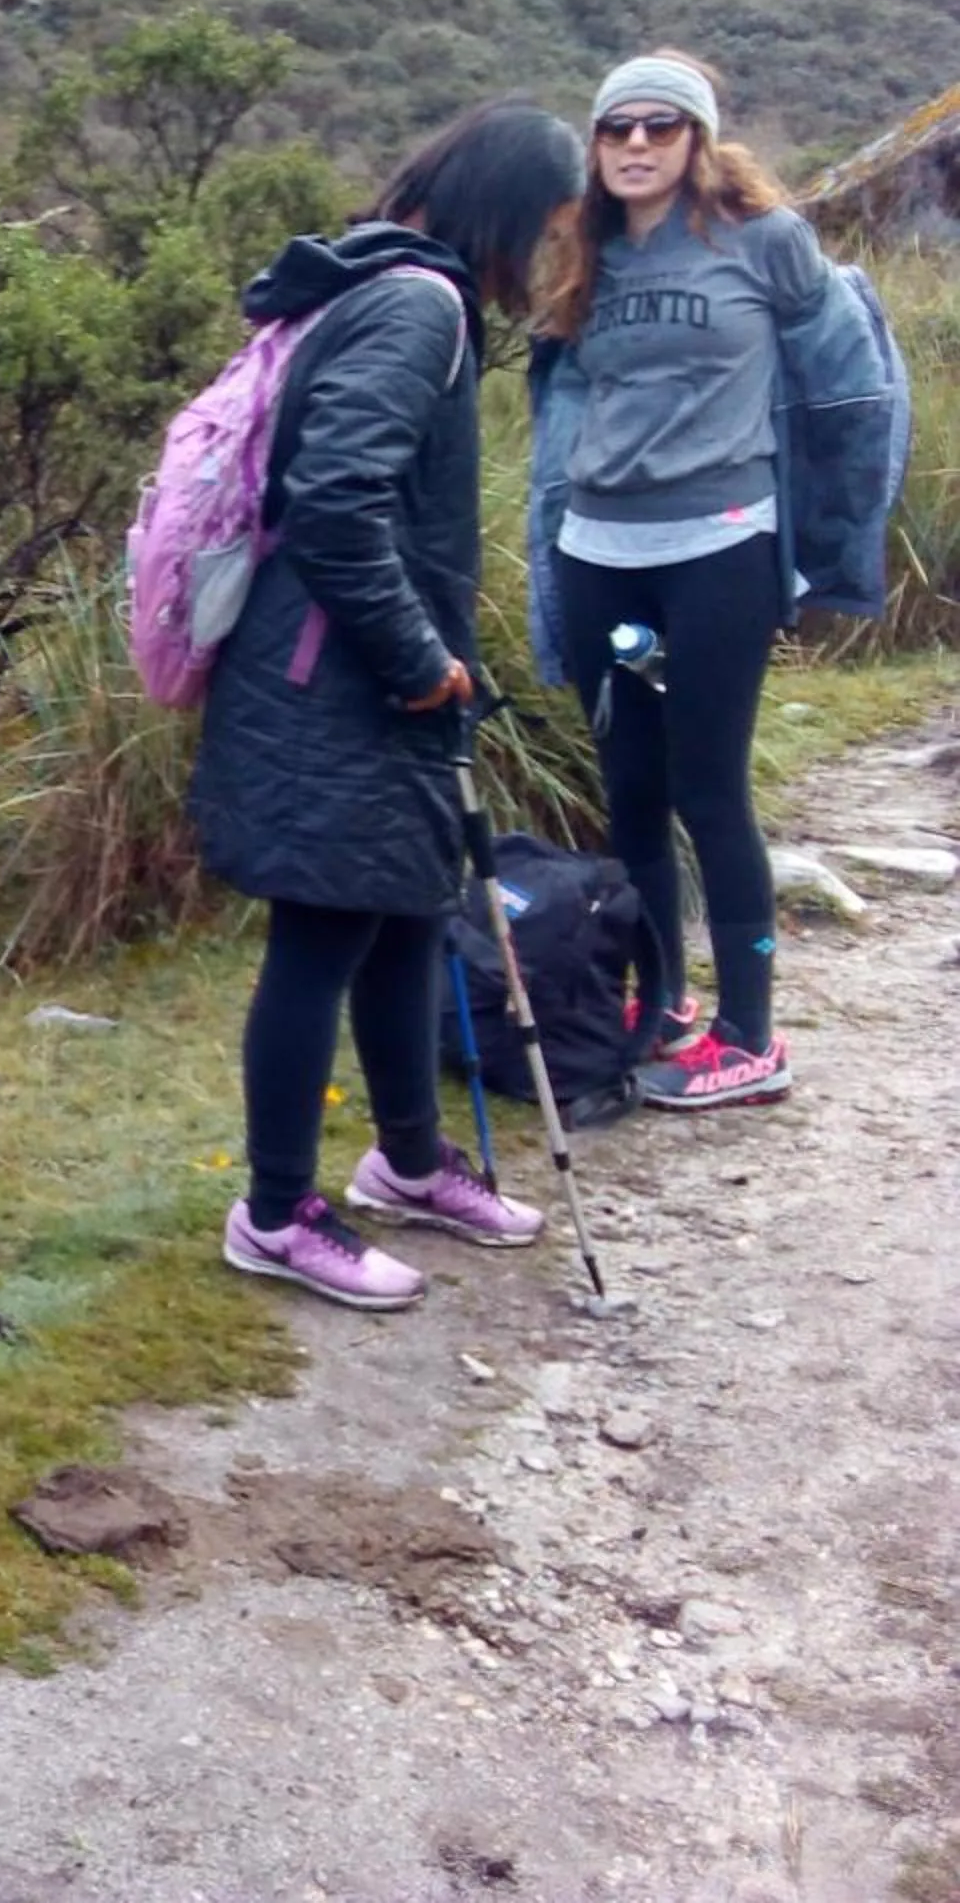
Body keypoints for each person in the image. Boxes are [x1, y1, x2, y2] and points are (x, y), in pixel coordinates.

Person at [190, 100, 585, 1312]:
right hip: (338, 679)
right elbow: (337, 501)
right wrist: (418, 659)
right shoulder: (419, 307)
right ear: (510, 215)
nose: (556, 255)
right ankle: (273, 1212)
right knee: (319, 937)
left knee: (411, 910)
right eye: (555, 227)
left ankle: (408, 1163)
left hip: (357, 676)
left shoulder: (388, 286)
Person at [526, 52, 891, 1112]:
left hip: (719, 553)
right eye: (616, 129)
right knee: (631, 787)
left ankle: (750, 1035)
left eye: (660, 126)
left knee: (709, 788)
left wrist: (828, 537)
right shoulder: (585, 255)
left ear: (698, 140)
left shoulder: (764, 243)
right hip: (601, 560)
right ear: (596, 148)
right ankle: (659, 1004)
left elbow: (848, 384)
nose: (636, 144)